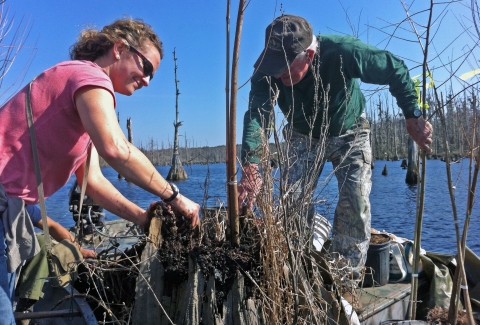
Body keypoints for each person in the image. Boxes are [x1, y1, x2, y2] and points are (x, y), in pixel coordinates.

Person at [0, 18, 200, 324]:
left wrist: (144, 219)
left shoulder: (85, 103)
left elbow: (92, 182)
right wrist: (175, 196)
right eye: (146, 67)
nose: (147, 80)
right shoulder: (88, 75)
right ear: (119, 49)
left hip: (12, 213)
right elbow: (117, 149)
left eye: (153, 76)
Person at [238, 15, 432, 281]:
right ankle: (294, 271)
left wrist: (412, 115)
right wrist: (251, 163)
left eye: (284, 66)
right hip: (301, 135)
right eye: (273, 65)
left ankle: (345, 279)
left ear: (307, 55)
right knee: (291, 202)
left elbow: (394, 68)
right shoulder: (267, 70)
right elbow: (257, 115)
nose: (276, 73)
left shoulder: (344, 52)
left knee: (355, 203)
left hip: (349, 132)